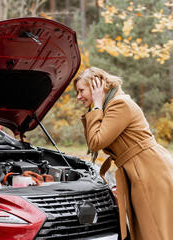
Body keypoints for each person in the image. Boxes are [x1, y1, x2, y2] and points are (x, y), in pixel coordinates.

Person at [74, 67, 173, 240]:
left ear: (97, 86)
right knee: (147, 228)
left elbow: (96, 142)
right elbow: (94, 139)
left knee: (154, 229)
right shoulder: (111, 105)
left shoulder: (119, 104)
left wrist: (96, 105)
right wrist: (96, 107)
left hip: (149, 169)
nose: (78, 97)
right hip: (142, 168)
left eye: (81, 90)